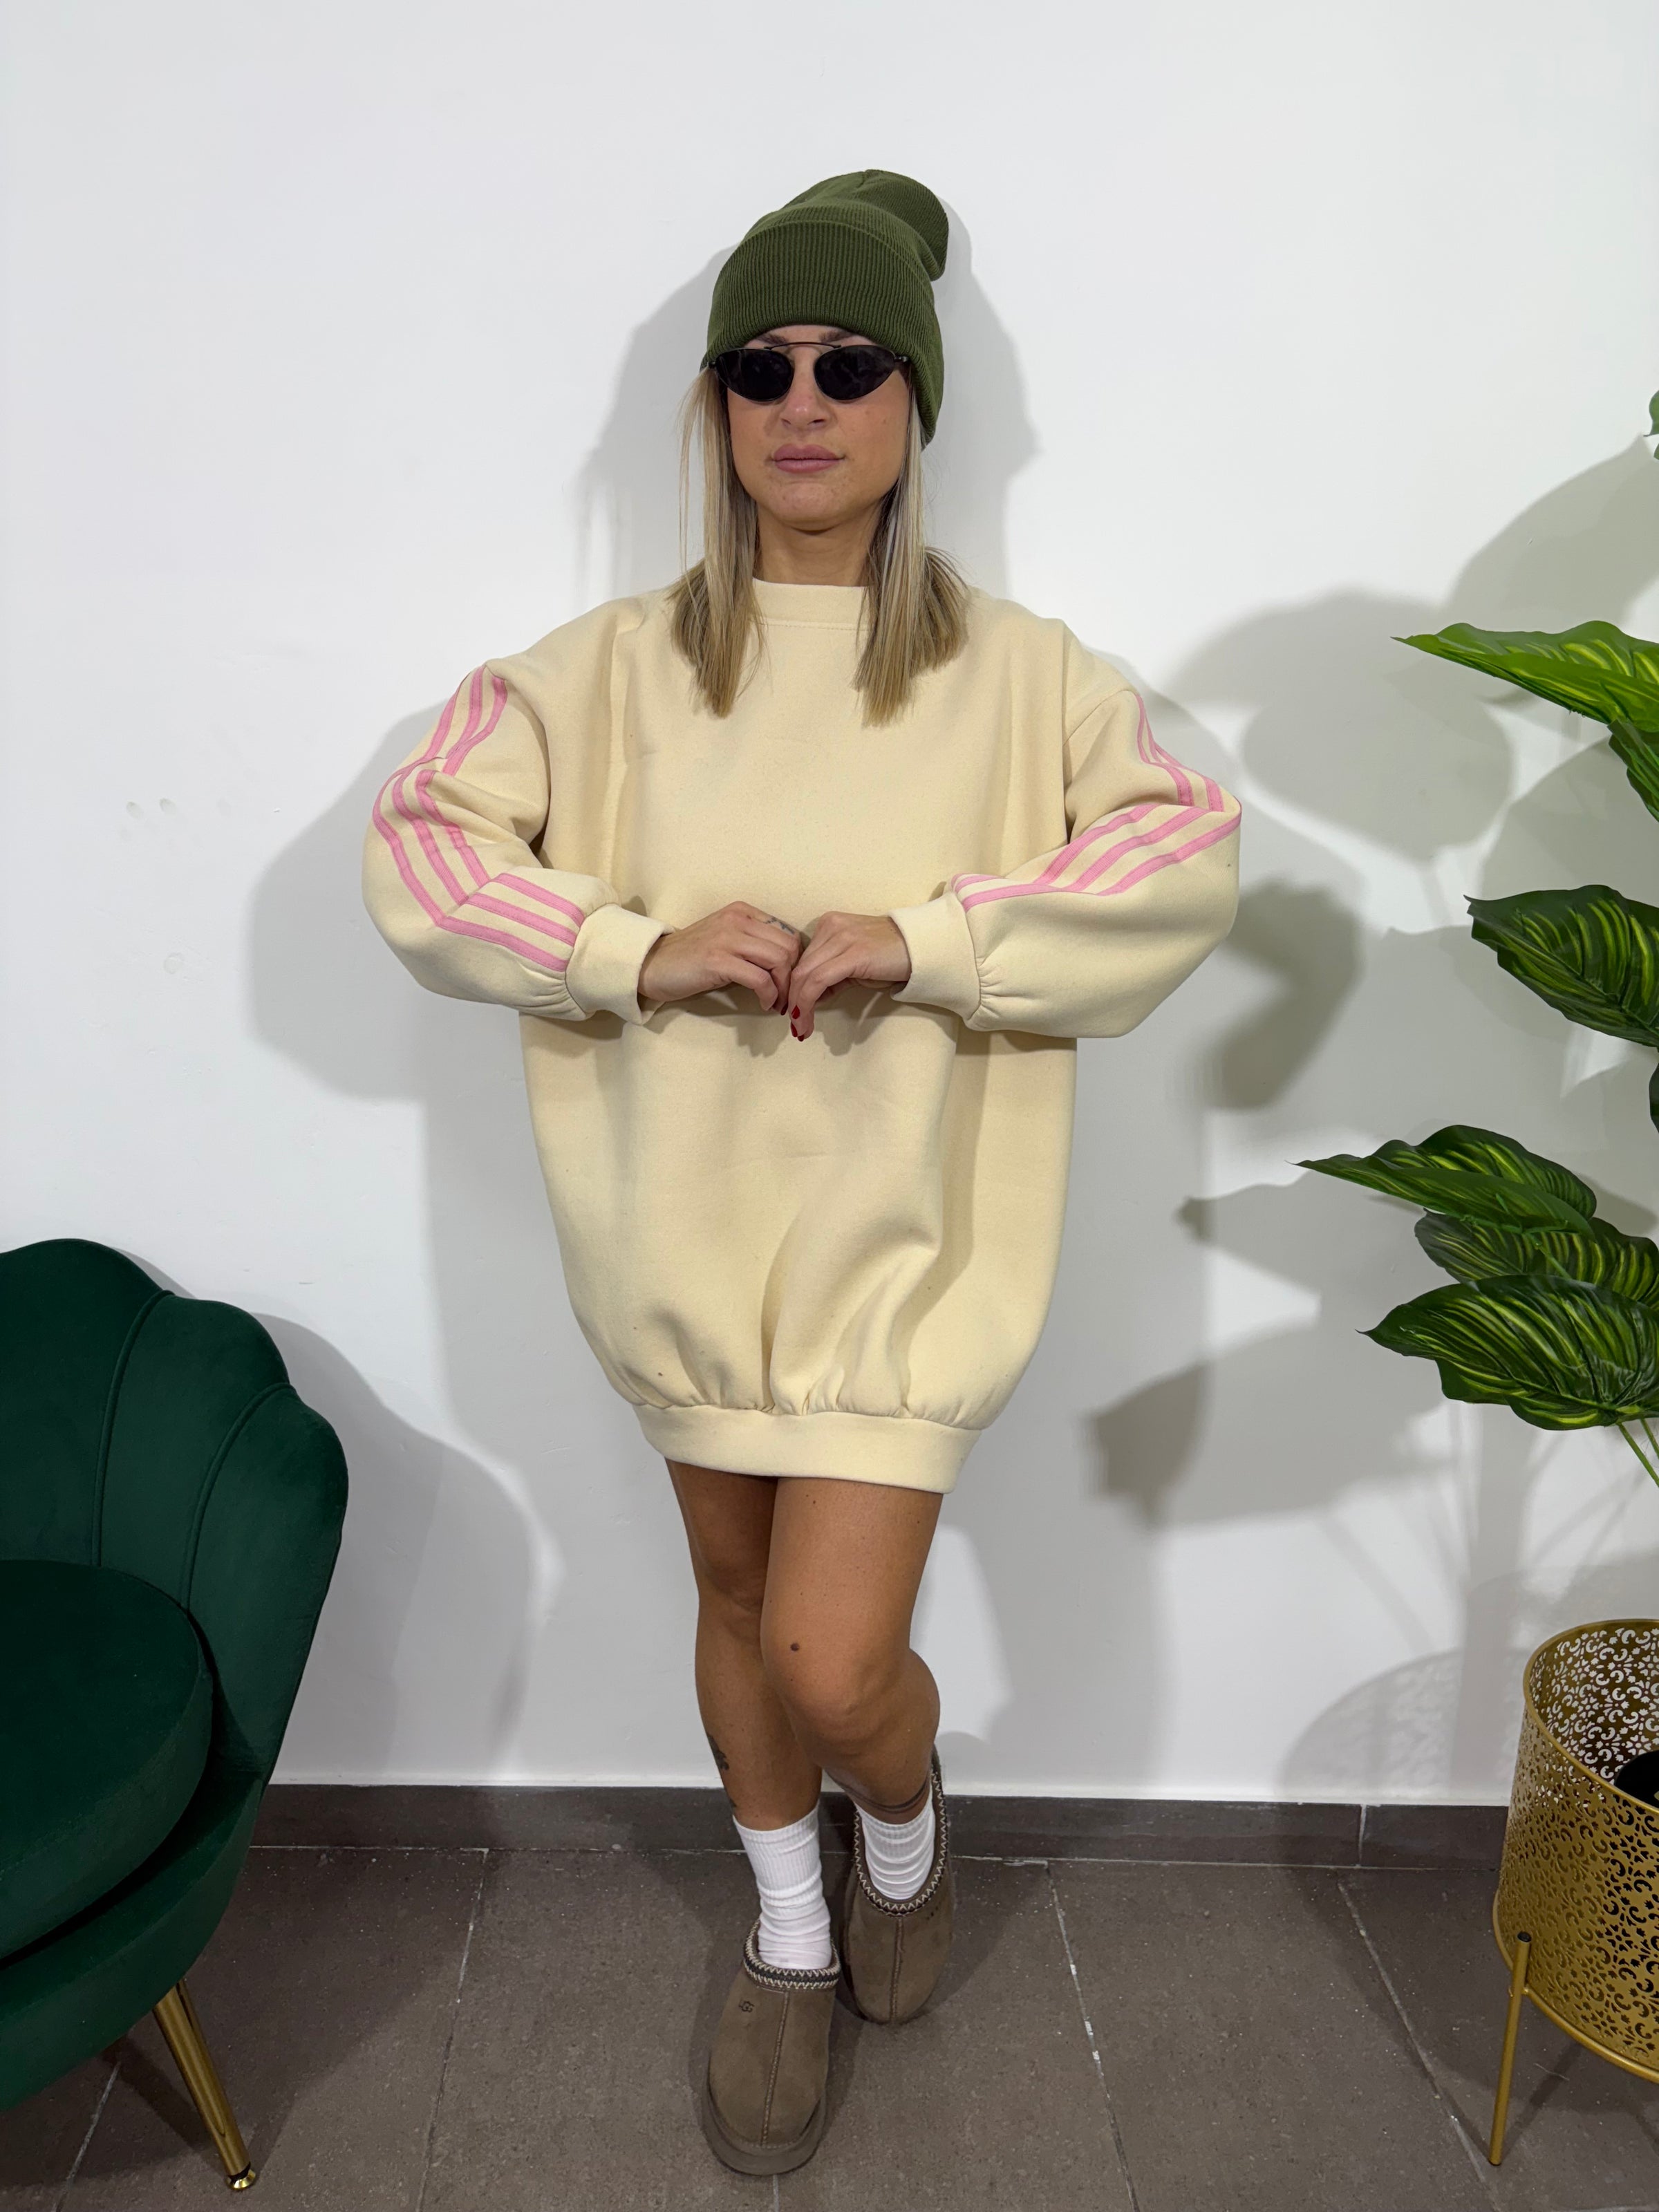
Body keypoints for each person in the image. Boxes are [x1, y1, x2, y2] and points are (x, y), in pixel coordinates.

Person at [364, 168, 1240, 2174]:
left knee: (832, 1657)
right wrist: (626, 947)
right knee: (737, 1596)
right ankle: (787, 1929)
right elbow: (421, 847)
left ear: (917, 401)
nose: (805, 403)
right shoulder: (601, 671)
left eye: (851, 366)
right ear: (715, 407)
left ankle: (903, 1836)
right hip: (677, 1257)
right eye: (760, 370)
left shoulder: (1024, 676)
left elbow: (1184, 852)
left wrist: (933, 938)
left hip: (907, 1268)